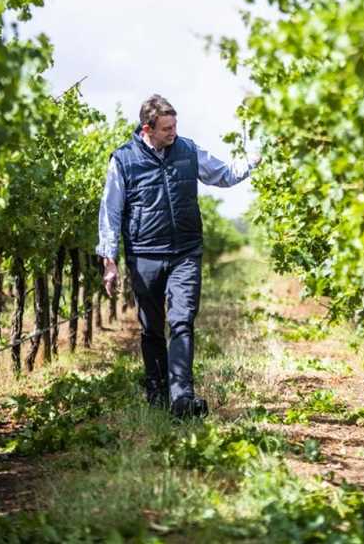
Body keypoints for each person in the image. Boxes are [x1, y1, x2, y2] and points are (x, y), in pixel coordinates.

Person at [96, 94, 259, 418]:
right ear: (148, 128)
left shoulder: (187, 149)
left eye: (175, 125)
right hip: (145, 255)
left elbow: (223, 174)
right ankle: (156, 391)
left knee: (182, 321)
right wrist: (109, 259)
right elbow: (111, 212)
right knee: (152, 328)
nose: (173, 132)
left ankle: (182, 398)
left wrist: (253, 160)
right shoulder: (124, 160)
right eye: (167, 128)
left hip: (185, 250)